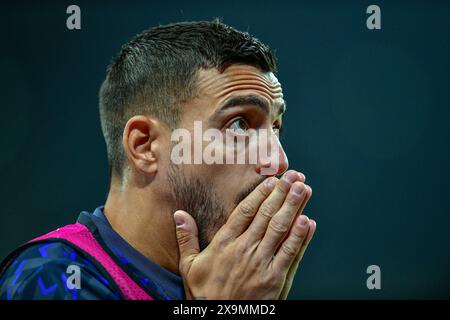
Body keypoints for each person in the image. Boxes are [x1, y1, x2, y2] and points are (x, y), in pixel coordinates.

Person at [0, 20, 316, 300]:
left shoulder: (235, 283)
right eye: (240, 124)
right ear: (145, 146)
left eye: (276, 127)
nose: (278, 160)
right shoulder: (52, 276)